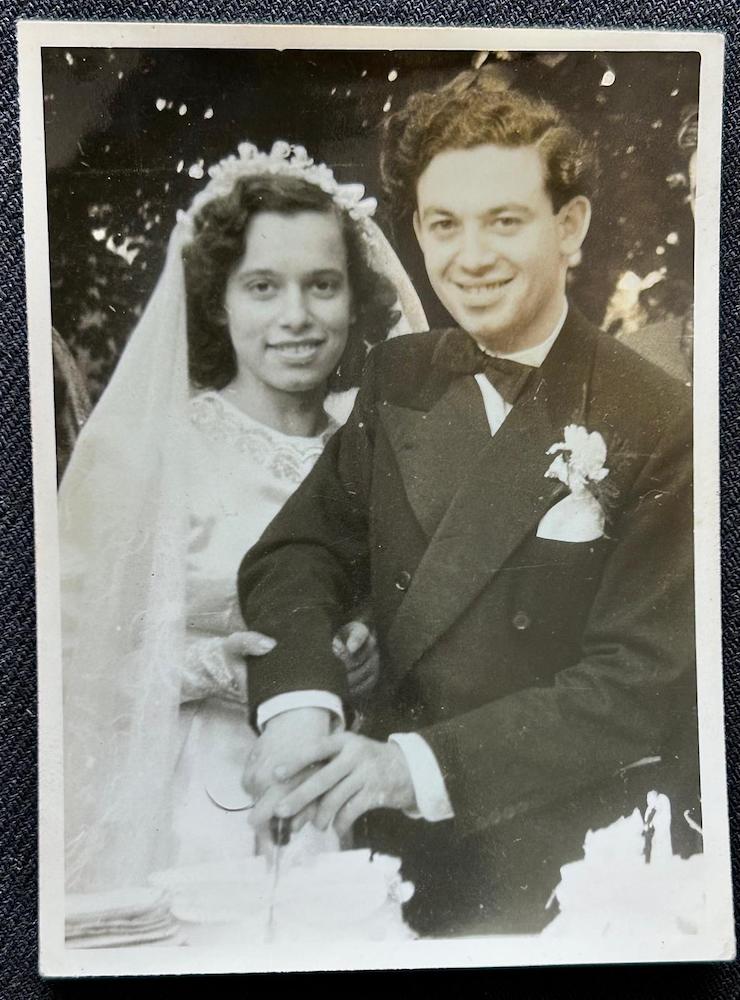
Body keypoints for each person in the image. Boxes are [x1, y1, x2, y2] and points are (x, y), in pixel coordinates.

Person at [238, 74, 698, 936]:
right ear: (416, 231)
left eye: (505, 221)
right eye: (444, 224)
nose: (471, 257)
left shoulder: (660, 419)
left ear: (571, 226)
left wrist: (409, 767)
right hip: (386, 861)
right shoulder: (398, 376)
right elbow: (297, 553)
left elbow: (635, 687)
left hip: (562, 879)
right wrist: (302, 702)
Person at [60, 141, 427, 894]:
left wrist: (367, 657)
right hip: (189, 801)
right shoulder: (149, 454)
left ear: (355, 300)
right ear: (216, 299)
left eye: (322, 285)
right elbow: (66, 659)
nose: (296, 317)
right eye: (262, 286)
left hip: (349, 794)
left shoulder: (376, 454)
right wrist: (207, 667)